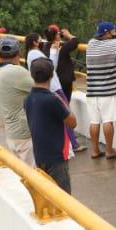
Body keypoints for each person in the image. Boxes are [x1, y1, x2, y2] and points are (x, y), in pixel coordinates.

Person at [24, 57, 78, 193]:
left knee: (47, 193)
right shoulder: (53, 100)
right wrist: (62, 101)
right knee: (63, 197)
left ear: (31, 74)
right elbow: (73, 122)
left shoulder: (28, 99)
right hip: (56, 156)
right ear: (52, 75)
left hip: (39, 154)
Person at [0, 36, 36, 166]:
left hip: (11, 132)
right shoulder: (17, 72)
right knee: (33, 178)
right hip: (25, 134)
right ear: (18, 53)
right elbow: (41, 89)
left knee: (21, 174)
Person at [84, 21, 116, 159]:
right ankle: (109, 151)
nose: (115, 32)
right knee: (108, 120)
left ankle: (95, 151)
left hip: (91, 90)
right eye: (113, 31)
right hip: (108, 90)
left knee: (94, 121)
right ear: (108, 32)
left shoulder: (90, 43)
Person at [47, 24, 84, 153]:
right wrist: (68, 34)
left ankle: (65, 139)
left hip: (51, 84)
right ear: (57, 35)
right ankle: (73, 143)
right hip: (63, 83)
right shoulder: (60, 47)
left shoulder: (44, 46)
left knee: (59, 111)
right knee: (66, 112)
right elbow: (75, 41)